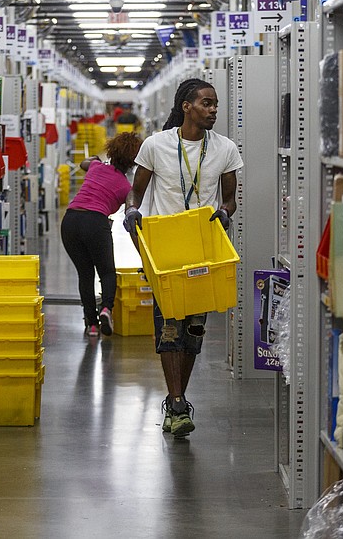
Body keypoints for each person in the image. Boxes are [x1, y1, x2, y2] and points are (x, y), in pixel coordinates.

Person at [123, 78, 242, 438]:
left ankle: (179, 397)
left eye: (215, 104)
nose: (213, 110)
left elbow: (231, 198)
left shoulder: (225, 149)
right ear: (186, 106)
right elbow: (136, 192)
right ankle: (176, 402)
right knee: (169, 326)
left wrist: (225, 212)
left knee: (193, 329)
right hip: (164, 244)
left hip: (203, 244)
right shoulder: (156, 145)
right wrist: (131, 212)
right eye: (206, 103)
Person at [61, 132, 143, 337]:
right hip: (95, 223)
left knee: (85, 273)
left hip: (70, 221)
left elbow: (84, 164)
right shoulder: (126, 188)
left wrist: (97, 159)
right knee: (106, 271)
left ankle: (92, 324)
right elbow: (132, 210)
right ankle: (106, 309)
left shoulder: (96, 167)